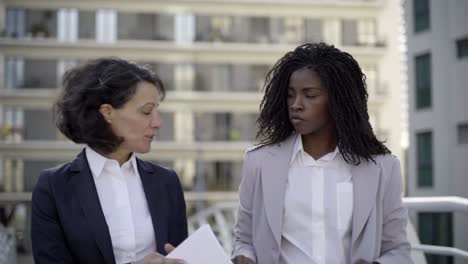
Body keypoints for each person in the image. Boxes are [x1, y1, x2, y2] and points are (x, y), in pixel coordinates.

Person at [232, 43, 412, 264]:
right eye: (290, 95)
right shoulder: (258, 162)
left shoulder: (382, 167)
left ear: (338, 100)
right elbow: (244, 240)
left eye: (310, 95)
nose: (296, 105)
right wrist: (244, 257)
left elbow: (398, 251)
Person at [31, 58, 187, 264]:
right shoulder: (53, 187)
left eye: (158, 111)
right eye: (147, 111)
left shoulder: (167, 182)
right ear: (107, 112)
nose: (157, 122)